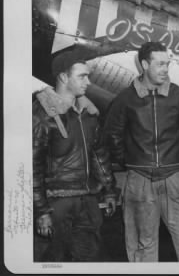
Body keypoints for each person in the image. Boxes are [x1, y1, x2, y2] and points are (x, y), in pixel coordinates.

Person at [103, 41, 179, 262]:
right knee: (143, 246)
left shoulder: (178, 96)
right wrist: (132, 162)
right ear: (145, 64)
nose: (165, 69)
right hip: (139, 181)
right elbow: (113, 135)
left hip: (174, 178)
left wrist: (175, 159)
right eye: (160, 64)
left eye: (167, 64)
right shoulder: (126, 99)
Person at [33, 50, 117, 261]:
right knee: (52, 262)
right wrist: (41, 211)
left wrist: (109, 191)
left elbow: (99, 155)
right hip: (56, 204)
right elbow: (32, 166)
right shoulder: (42, 113)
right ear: (63, 77)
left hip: (87, 202)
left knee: (87, 261)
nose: (88, 82)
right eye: (82, 76)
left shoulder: (89, 114)